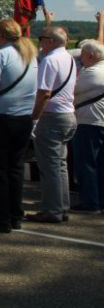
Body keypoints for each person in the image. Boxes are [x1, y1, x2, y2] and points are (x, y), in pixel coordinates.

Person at [0, 19, 38, 233]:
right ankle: (15, 214)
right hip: (24, 117)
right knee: (15, 168)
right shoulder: (30, 56)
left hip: (1, 118)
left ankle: (0, 218)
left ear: (0, 35)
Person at [28, 26, 77, 223]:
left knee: (49, 167)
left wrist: (34, 118)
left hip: (52, 116)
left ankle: (52, 209)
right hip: (67, 115)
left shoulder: (50, 60)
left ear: (51, 41)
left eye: (42, 38)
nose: (40, 43)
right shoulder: (69, 58)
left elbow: (44, 92)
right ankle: (62, 207)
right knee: (60, 165)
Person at [72, 38, 104, 211]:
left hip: (90, 122)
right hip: (98, 122)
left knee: (87, 164)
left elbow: (72, 89)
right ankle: (99, 199)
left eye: (83, 54)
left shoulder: (92, 72)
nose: (80, 58)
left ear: (91, 56)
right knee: (99, 164)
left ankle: (90, 202)